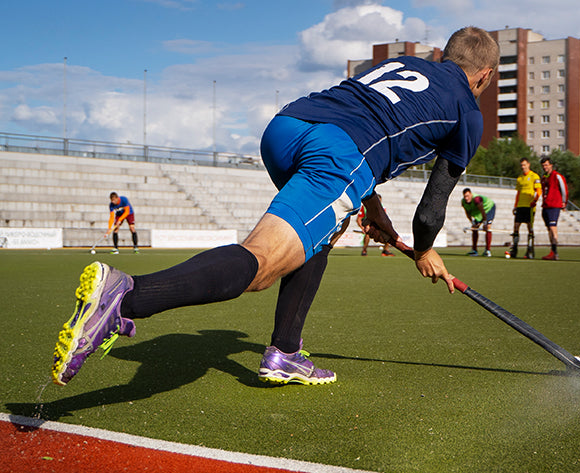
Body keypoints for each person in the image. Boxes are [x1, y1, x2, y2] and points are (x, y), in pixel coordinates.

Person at [51, 26, 499, 387]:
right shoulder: (467, 111)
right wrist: (424, 250)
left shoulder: (406, 63)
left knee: (320, 236)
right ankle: (127, 295)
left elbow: (370, 118)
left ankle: (285, 351)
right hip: (338, 152)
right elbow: (431, 208)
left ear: (445, 56)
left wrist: (372, 204)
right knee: (262, 263)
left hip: (288, 127)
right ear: (485, 76)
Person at [508, 157, 541, 259]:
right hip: (520, 206)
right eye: (521, 165)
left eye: (524, 165)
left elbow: (539, 191)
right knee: (516, 226)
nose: (523, 167)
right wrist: (515, 205)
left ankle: (530, 250)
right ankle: (514, 249)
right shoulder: (519, 178)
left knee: (529, 227)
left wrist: (535, 201)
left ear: (528, 165)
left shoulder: (534, 176)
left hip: (529, 206)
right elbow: (518, 193)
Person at [539, 156, 568, 261]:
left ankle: (555, 253)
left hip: (554, 205)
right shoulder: (543, 178)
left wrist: (564, 202)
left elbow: (564, 189)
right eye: (543, 165)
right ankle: (552, 251)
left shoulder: (557, 176)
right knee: (549, 229)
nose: (545, 167)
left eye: (546, 165)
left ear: (551, 165)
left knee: (553, 227)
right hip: (546, 205)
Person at [461, 188, 495, 257]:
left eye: (468, 196)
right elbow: (467, 213)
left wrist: (485, 223)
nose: (466, 198)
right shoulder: (463, 202)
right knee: (474, 228)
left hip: (488, 208)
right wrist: (473, 223)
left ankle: (487, 250)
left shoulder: (477, 199)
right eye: (465, 196)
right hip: (478, 213)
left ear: (471, 194)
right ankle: (474, 250)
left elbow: (483, 211)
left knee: (487, 227)